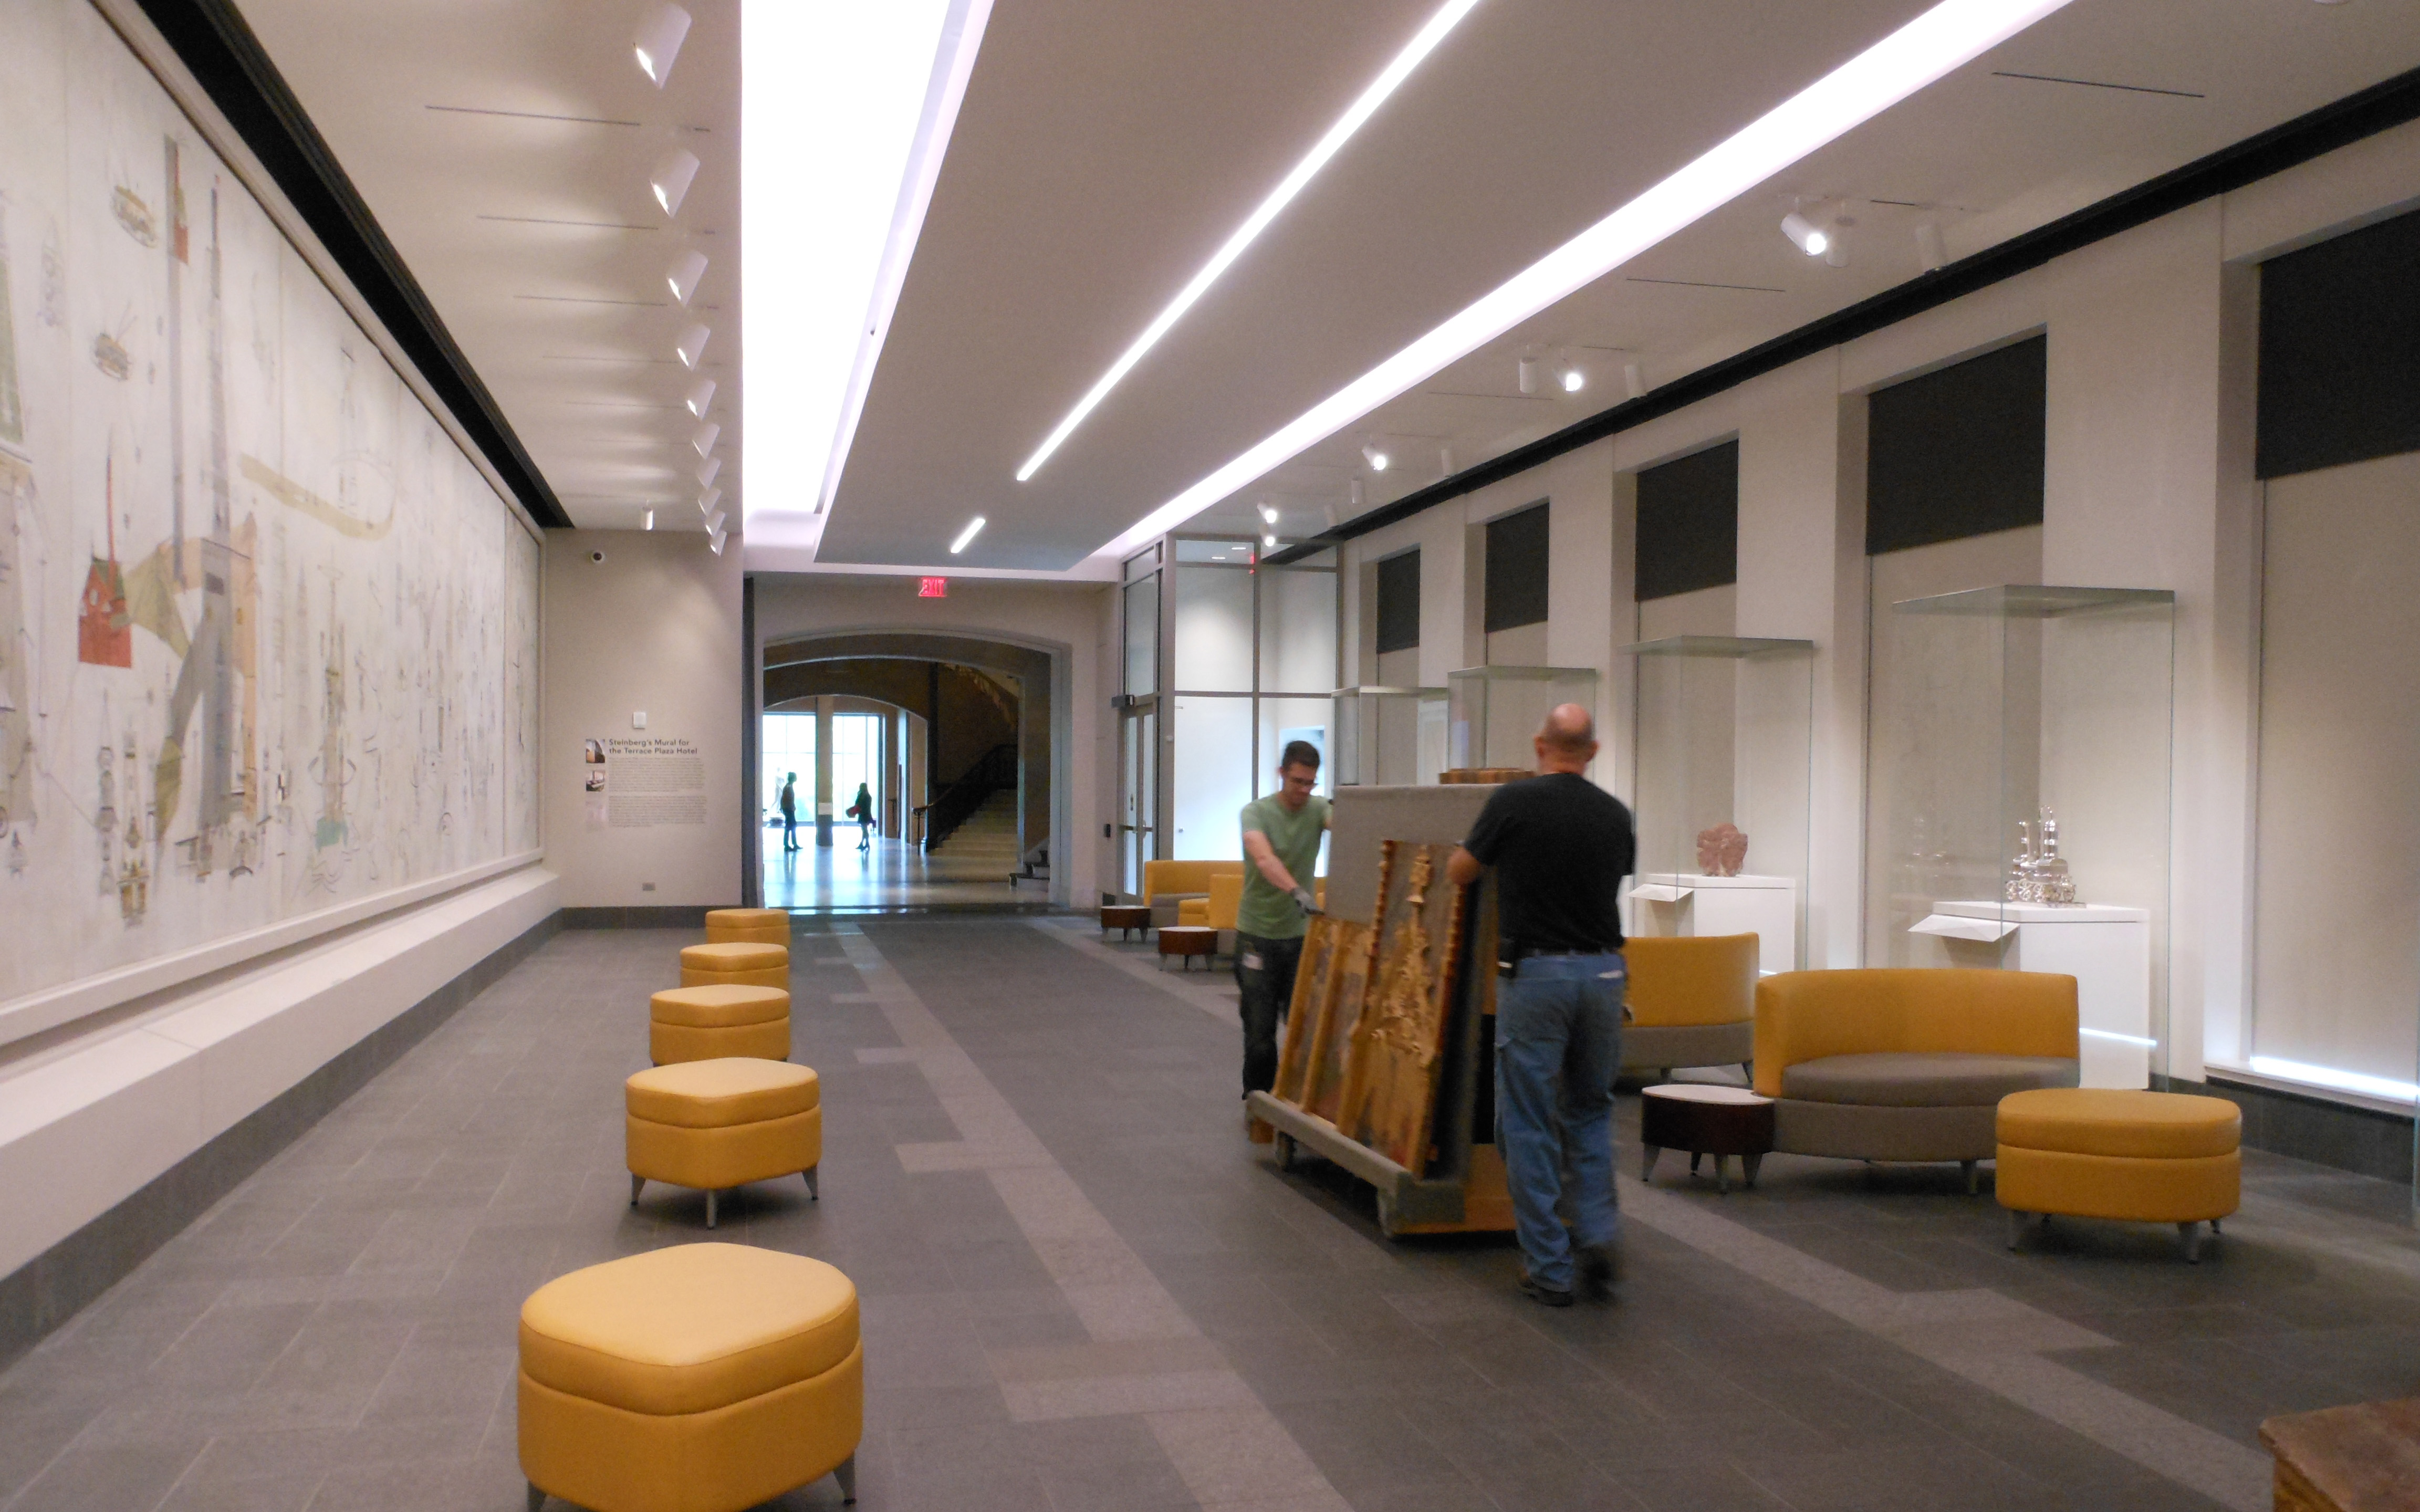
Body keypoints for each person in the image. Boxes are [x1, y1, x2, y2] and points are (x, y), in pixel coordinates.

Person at [1446, 704, 1634, 1307]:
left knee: (1527, 1122)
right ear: (1594, 751)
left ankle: (1550, 1266)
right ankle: (1599, 1235)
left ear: (1539, 744)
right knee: (1590, 1111)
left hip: (1538, 975)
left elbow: (1460, 871)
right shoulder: (1615, 814)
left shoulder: (1513, 802)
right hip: (1605, 972)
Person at [1236, 740, 1331, 1107]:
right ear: (1282, 774)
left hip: (1299, 938)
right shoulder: (1255, 813)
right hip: (1256, 938)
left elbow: (1349, 826)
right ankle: (1258, 1103)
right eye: (1298, 782)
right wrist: (1298, 891)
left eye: (1311, 783)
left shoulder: (1318, 808)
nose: (1304, 791)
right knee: (1260, 1034)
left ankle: (1294, 1103)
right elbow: (1263, 857)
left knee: (1302, 1027)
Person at [848, 782, 875, 851]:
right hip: (867, 814)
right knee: (864, 830)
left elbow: (857, 804)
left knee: (864, 830)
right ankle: (865, 844)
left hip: (863, 815)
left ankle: (865, 844)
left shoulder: (862, 796)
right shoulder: (869, 796)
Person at [778, 772, 800, 852]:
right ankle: (788, 845)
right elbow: (787, 799)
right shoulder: (789, 787)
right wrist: (791, 807)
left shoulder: (788, 787)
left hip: (788, 809)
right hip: (789, 810)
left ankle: (792, 844)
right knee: (790, 826)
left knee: (791, 826)